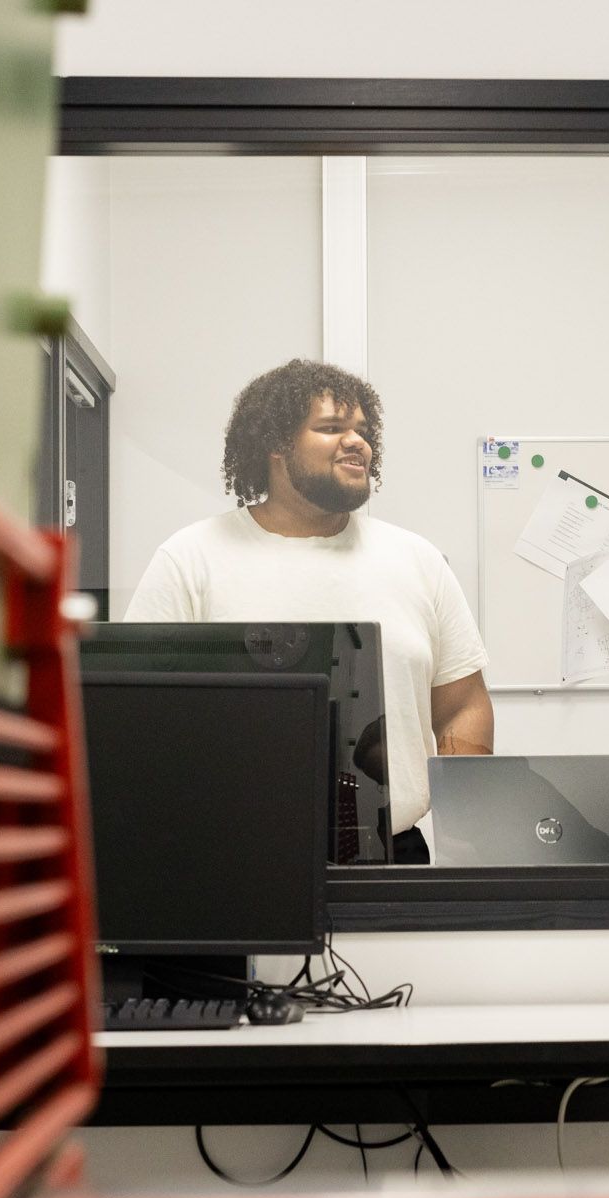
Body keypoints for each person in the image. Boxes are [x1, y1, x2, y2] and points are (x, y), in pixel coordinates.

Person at [125, 359, 492, 864]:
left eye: (363, 430)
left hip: (394, 853)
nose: (357, 442)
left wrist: (464, 821)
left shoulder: (417, 560)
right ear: (275, 443)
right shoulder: (191, 558)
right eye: (331, 427)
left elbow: (462, 704)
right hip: (233, 853)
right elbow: (140, 715)